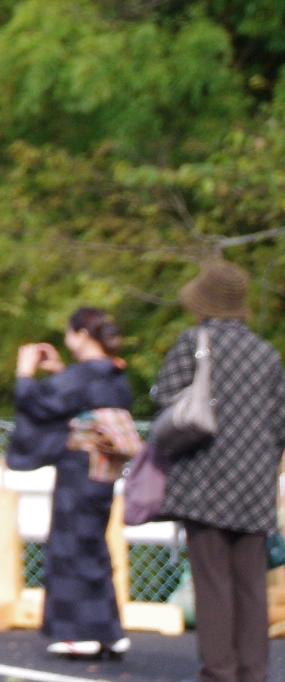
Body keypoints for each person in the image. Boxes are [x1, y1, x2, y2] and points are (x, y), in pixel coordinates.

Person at [152, 259, 285, 682]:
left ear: (204, 302)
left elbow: (165, 401)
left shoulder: (195, 342)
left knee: (212, 586)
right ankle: (254, 673)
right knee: (251, 587)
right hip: (255, 488)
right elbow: (280, 423)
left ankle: (218, 674)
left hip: (205, 483)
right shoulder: (267, 354)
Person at [7, 309, 136, 660]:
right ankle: (108, 631)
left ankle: (78, 633)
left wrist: (24, 373)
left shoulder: (83, 376)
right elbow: (77, 398)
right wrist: (62, 371)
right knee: (93, 547)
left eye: (69, 334)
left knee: (70, 549)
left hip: (79, 470)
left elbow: (37, 403)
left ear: (80, 334)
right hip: (104, 472)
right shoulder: (115, 373)